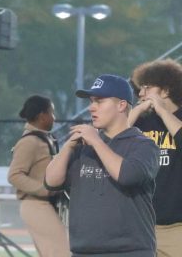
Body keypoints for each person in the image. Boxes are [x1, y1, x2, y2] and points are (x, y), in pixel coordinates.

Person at [46, 74, 159, 257]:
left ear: (121, 105)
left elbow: (127, 175)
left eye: (99, 101)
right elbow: (51, 182)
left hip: (129, 252)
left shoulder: (143, 145)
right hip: (83, 251)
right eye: (91, 101)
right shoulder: (83, 146)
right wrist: (68, 147)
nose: (91, 108)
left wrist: (97, 142)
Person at [130, 60, 182, 255]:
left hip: (177, 228)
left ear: (166, 91)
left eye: (147, 88)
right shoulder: (140, 122)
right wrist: (135, 112)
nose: (141, 93)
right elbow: (112, 142)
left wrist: (162, 111)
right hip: (142, 227)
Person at [7, 95, 68, 257]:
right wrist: (44, 190)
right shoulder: (29, 141)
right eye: (51, 113)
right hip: (36, 205)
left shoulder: (43, 138)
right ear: (42, 116)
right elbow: (14, 175)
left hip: (43, 205)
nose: (54, 118)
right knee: (61, 252)